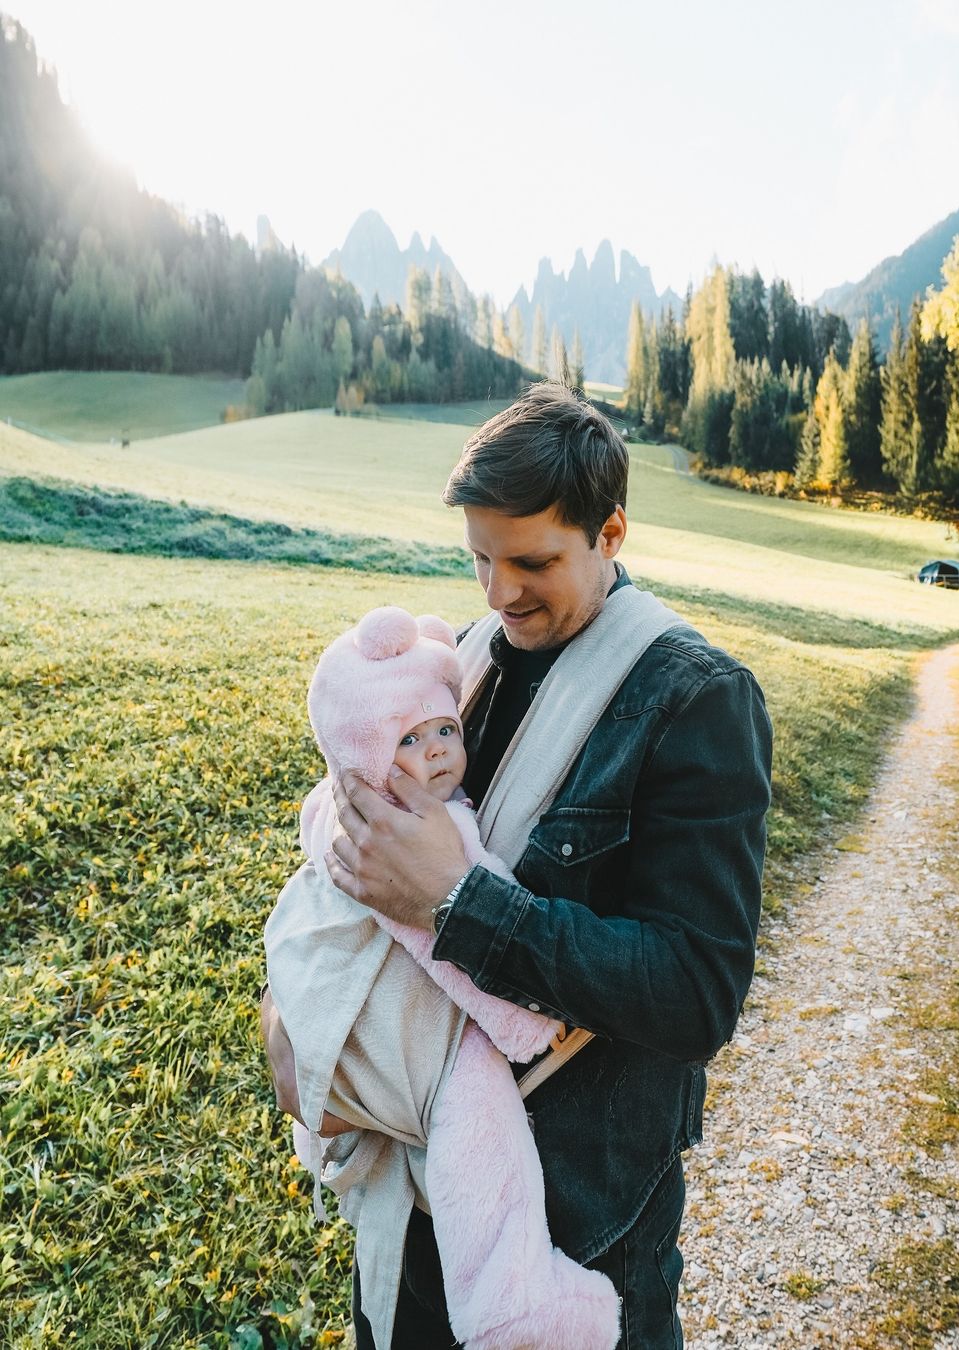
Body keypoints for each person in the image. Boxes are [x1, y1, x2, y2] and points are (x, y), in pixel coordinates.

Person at [266, 381, 772, 1348]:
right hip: (411, 1218)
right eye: (480, 559)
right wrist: (292, 1018)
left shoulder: (697, 701)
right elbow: (346, 866)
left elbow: (697, 996)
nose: (498, 595)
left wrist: (456, 901)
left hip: (578, 1235)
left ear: (610, 532)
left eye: (532, 562)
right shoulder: (454, 665)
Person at [263, 604, 621, 1350]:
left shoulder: (339, 801)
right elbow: (442, 938)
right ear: (362, 750)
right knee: (482, 1137)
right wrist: (523, 1021)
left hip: (350, 1005)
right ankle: (511, 1305)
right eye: (407, 739)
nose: (434, 752)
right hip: (425, 1015)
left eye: (444, 731)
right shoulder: (422, 827)